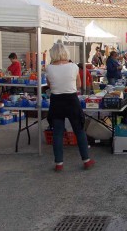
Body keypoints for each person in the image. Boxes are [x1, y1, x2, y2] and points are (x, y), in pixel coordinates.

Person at [46, 41, 95, 172]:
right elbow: (79, 84)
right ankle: (86, 160)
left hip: (56, 101)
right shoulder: (73, 67)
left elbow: (50, 85)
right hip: (71, 100)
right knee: (79, 130)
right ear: (65, 52)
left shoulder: (49, 68)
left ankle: (59, 163)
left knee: (57, 133)